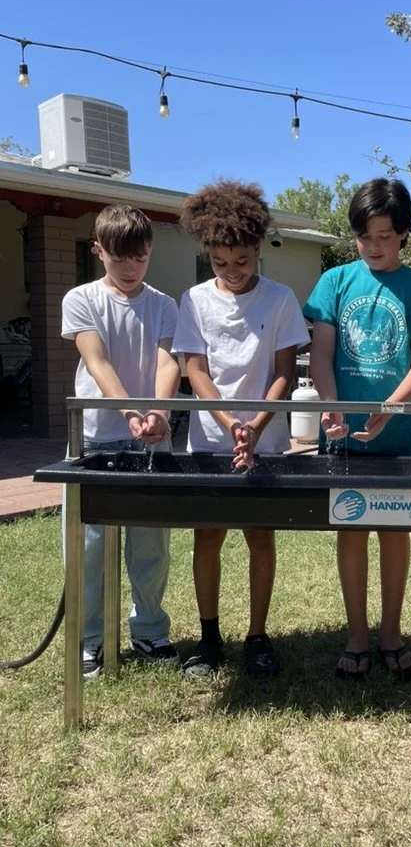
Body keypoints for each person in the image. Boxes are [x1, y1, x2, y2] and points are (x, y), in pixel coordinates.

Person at [172, 180, 308, 678]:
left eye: (242, 262)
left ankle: (257, 636)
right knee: (207, 536)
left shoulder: (280, 299)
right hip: (210, 441)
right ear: (208, 252)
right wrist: (231, 424)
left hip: (265, 439)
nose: (231, 273)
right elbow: (196, 370)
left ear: (257, 249)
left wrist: (255, 424)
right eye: (220, 263)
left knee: (259, 535)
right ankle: (209, 639)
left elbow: (283, 372)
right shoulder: (194, 300)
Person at [304, 178, 411, 679]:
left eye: (384, 236)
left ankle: (391, 632)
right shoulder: (334, 283)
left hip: (399, 435)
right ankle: (357, 633)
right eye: (365, 237)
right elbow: (320, 353)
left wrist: (392, 407)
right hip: (342, 437)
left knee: (394, 528)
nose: (374, 246)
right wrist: (330, 403)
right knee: (351, 527)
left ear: (403, 233)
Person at [61, 205, 180, 678]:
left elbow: (167, 363)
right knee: (88, 546)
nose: (130, 269)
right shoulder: (81, 298)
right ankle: (90, 640)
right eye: (119, 259)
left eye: (141, 258)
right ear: (98, 251)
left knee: (151, 542)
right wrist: (132, 412)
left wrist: (159, 414)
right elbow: (97, 361)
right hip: (94, 437)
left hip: (152, 439)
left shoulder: (164, 304)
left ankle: (149, 629)